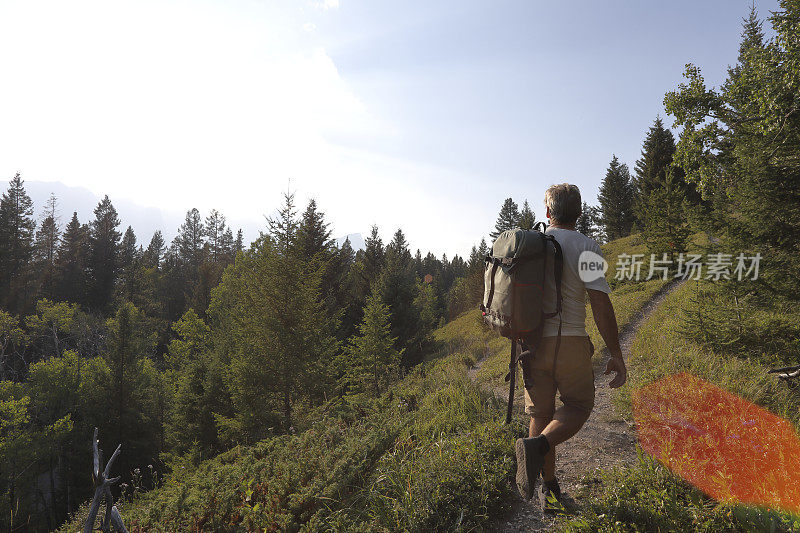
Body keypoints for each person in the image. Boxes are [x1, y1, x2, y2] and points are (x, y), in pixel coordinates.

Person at [515, 183, 627, 510]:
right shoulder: (586, 247)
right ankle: (537, 448)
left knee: (541, 412)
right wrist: (616, 353)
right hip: (571, 341)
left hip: (531, 345)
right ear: (578, 212)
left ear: (548, 213)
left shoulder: (532, 245)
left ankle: (548, 492)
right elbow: (600, 304)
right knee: (577, 406)